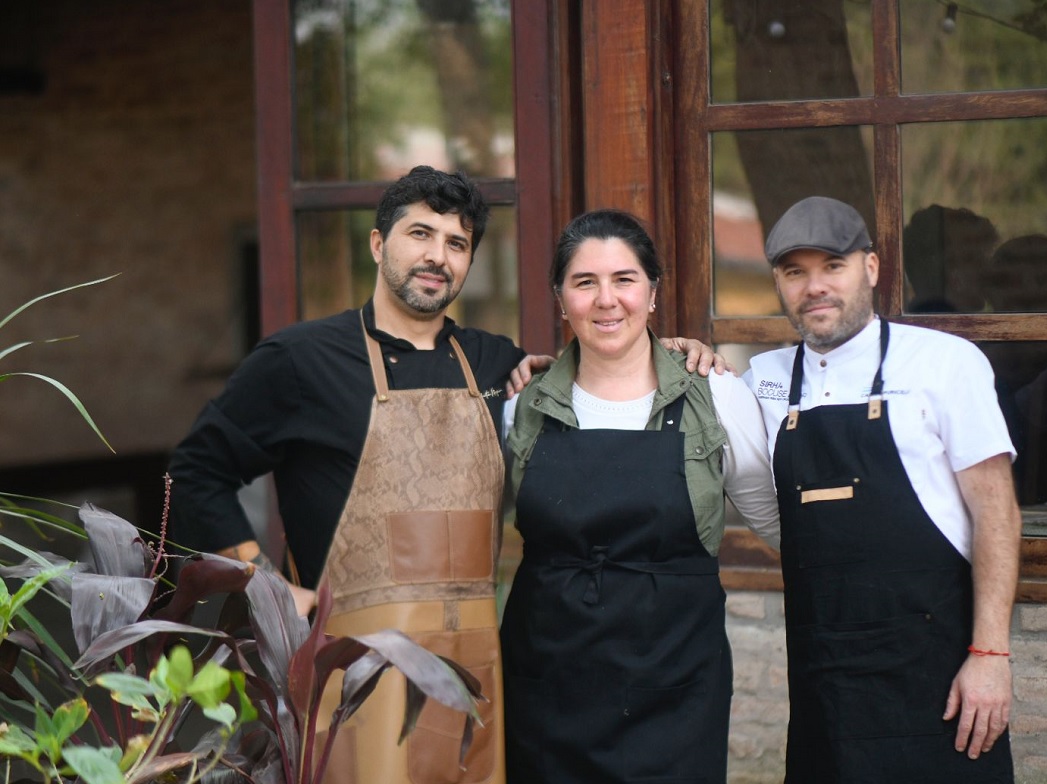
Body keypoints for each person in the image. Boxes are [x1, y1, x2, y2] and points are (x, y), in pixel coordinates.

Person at [167, 167, 720, 784]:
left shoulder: (496, 363)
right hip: (353, 670)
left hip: (474, 675)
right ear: (379, 246)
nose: (437, 256)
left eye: (457, 244)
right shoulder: (299, 362)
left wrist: (672, 353)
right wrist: (266, 585)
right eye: (420, 234)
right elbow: (196, 469)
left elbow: (595, 365)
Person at [743, 196, 1021, 782]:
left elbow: (998, 513)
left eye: (832, 266)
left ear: (871, 268)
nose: (815, 287)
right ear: (779, 283)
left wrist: (991, 655)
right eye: (796, 272)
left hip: (939, 680)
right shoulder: (760, 381)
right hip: (823, 683)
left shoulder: (946, 362)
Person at [501, 209, 780, 783]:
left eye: (624, 279)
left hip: (674, 692)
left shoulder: (716, 399)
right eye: (585, 282)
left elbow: (780, 526)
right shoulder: (521, 408)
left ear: (652, 294)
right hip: (548, 690)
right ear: (561, 299)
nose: (607, 300)